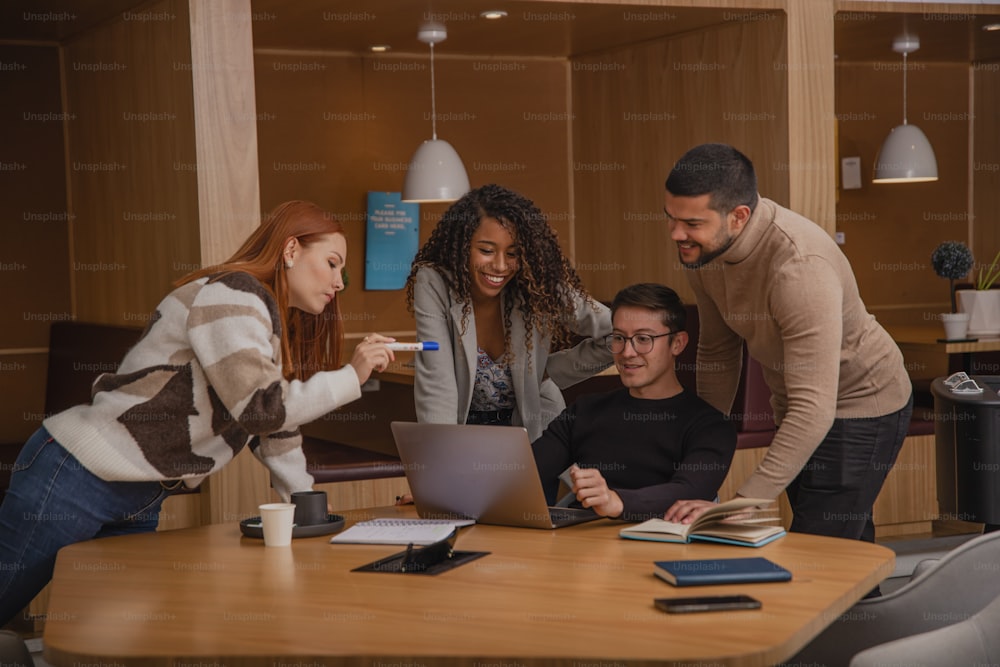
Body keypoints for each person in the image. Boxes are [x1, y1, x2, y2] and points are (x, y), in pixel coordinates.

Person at [0, 200, 397, 626]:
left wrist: (305, 509)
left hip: (144, 494)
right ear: (291, 250)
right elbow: (262, 410)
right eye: (333, 264)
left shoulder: (264, 314)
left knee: (116, 633)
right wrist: (351, 377)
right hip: (78, 475)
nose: (339, 282)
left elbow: (274, 430)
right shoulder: (234, 294)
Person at [660, 143, 913, 544]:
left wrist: (738, 505)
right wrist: (703, 452)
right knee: (844, 552)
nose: (676, 234)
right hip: (798, 405)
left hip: (861, 403)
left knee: (818, 550)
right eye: (670, 218)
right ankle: (873, 607)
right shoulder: (704, 252)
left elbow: (815, 408)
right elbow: (718, 352)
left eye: (691, 223)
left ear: (739, 216)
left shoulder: (800, 268)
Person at [404, 184, 613, 442]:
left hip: (534, 431)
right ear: (461, 247)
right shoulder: (434, 282)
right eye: (486, 250)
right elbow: (437, 383)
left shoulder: (538, 282)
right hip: (464, 433)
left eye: (513, 253)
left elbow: (619, 332)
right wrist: (445, 453)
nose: (501, 266)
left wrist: (551, 370)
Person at [533, 283, 736, 521]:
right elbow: (528, 475)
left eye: (643, 338)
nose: (627, 352)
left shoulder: (711, 427)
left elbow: (689, 494)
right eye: (619, 337)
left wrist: (614, 501)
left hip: (667, 551)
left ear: (678, 343)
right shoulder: (585, 410)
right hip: (585, 548)